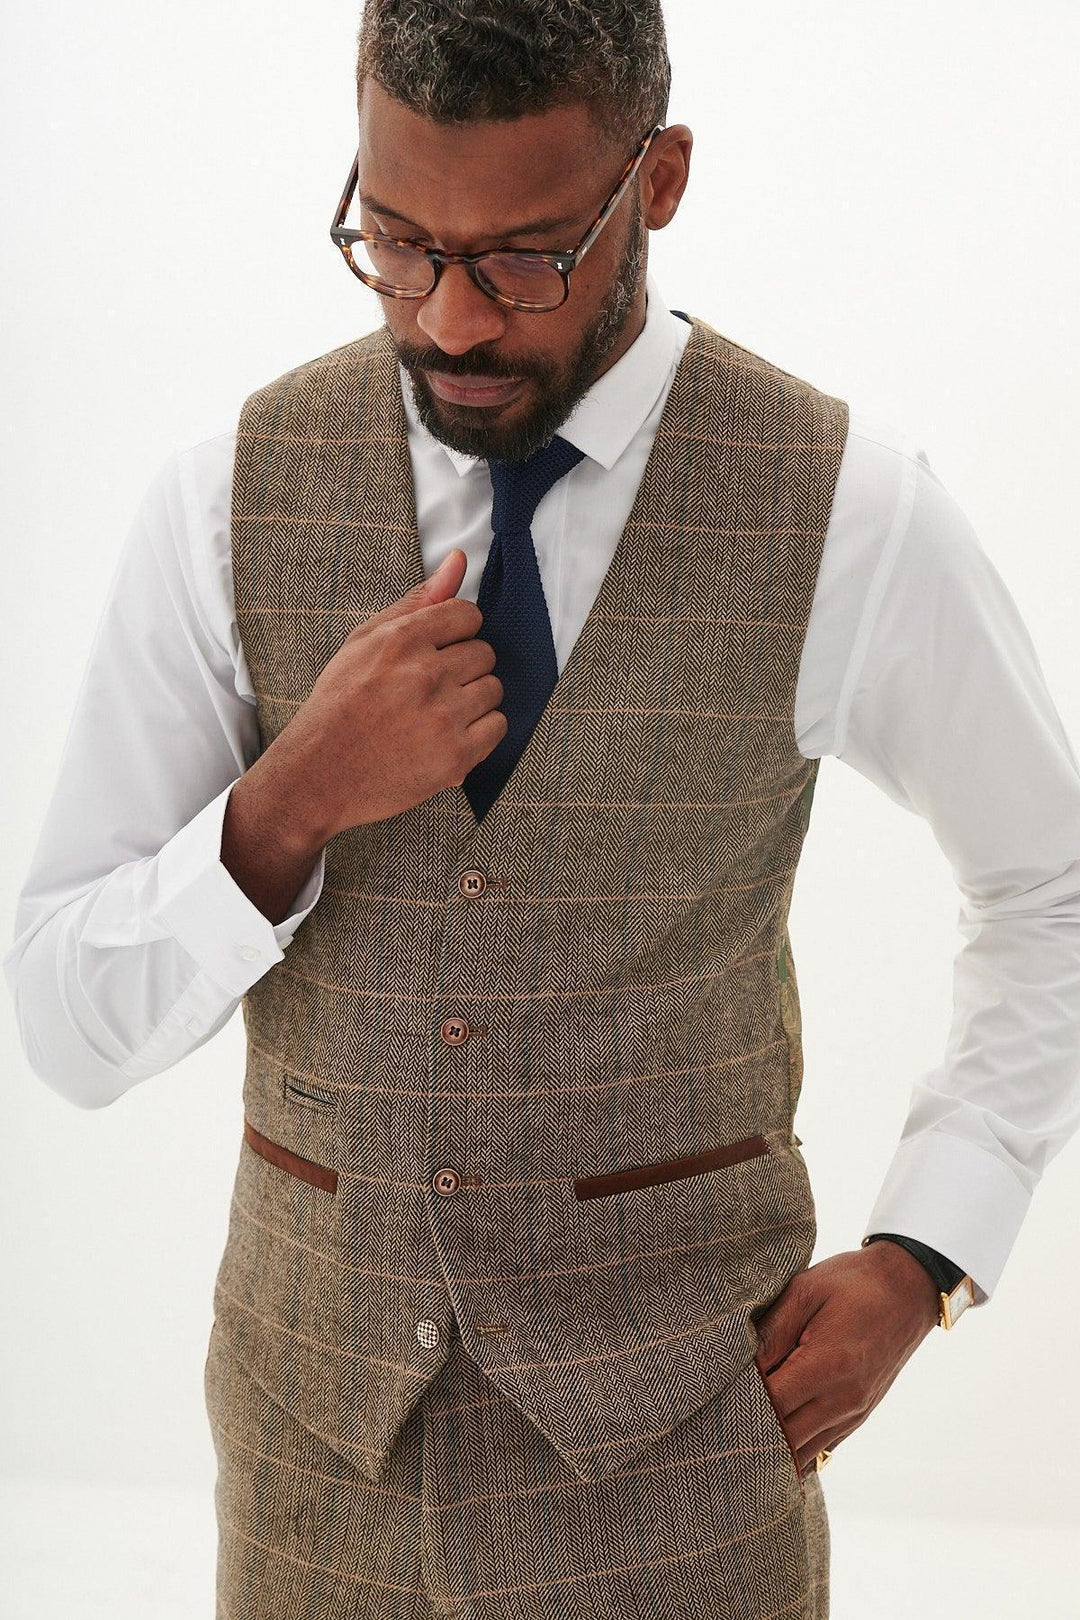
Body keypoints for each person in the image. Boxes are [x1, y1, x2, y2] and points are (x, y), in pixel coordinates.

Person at [6, 2, 1080, 1616]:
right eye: (393, 238)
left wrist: (928, 1255)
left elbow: (1050, 882)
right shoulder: (223, 494)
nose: (447, 318)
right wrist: (289, 798)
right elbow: (66, 1026)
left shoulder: (848, 507)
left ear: (658, 180)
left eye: (519, 256)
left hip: (687, 1470)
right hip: (313, 1466)